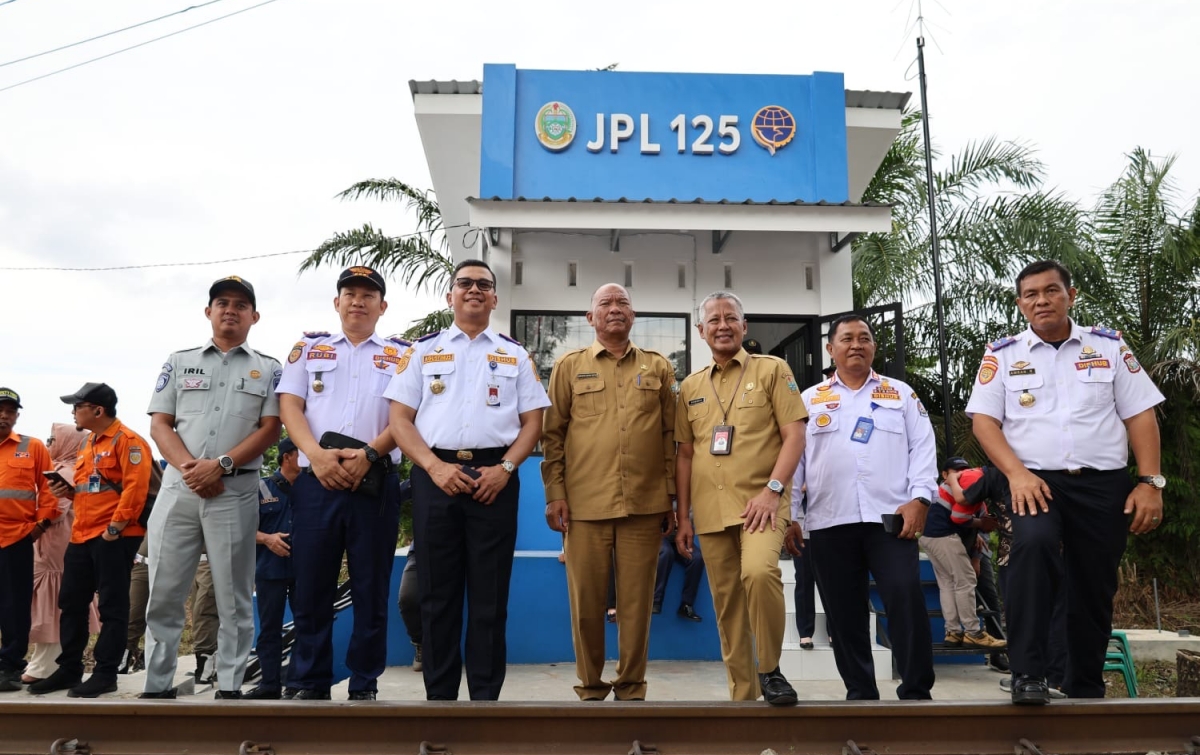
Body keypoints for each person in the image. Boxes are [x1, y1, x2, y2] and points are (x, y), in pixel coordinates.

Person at [966, 259, 1165, 704]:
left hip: (1102, 484)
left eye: (1051, 291)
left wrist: (1150, 482)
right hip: (1033, 482)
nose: (1041, 300)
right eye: (1031, 294)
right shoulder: (1003, 355)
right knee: (1031, 550)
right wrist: (1016, 474)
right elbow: (984, 423)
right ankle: (1029, 674)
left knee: (1092, 584)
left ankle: (1084, 684)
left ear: (1070, 295)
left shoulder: (1109, 347)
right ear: (1020, 304)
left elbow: (1140, 414)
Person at [386, 258, 550, 701]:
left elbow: (533, 423)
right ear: (450, 296)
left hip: (496, 477)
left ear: (495, 298)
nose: (474, 290)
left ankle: (484, 702)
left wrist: (507, 469)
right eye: (464, 284)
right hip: (435, 477)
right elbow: (400, 420)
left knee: (489, 598)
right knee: (435, 597)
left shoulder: (515, 354)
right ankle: (439, 701)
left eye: (483, 285)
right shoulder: (422, 351)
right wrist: (435, 468)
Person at [142, 276, 282, 700]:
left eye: (241, 305)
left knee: (234, 599)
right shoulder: (180, 361)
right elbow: (159, 423)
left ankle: (230, 686)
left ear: (254, 316)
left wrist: (219, 466)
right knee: (164, 593)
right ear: (208, 311)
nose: (230, 310)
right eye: (222, 302)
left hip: (235, 493)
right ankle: (158, 685)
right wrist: (191, 469)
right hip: (179, 490)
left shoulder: (270, 367)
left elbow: (271, 428)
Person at [541, 283, 678, 701]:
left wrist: (671, 498)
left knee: (636, 606)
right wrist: (554, 493)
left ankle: (632, 687)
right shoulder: (568, 366)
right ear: (591, 318)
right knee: (586, 605)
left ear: (633, 316)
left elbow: (672, 436)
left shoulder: (658, 368)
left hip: (644, 504)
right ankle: (591, 687)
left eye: (622, 303)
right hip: (584, 507)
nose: (615, 309)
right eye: (605, 303)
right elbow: (553, 435)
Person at [790, 315, 937, 701]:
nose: (856, 345)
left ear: (874, 346)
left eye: (865, 338)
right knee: (844, 613)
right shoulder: (809, 399)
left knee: (905, 598)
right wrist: (791, 516)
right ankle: (860, 693)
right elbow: (793, 463)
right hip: (829, 520)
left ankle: (917, 691)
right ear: (831, 348)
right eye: (847, 339)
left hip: (891, 520)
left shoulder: (901, 394)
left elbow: (923, 450)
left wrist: (921, 498)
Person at [277, 266, 405, 701]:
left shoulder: (402, 354)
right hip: (318, 483)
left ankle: (364, 683)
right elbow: (290, 406)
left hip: (376, 485)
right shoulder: (309, 348)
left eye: (368, 295)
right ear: (336, 303)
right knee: (311, 584)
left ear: (382, 307)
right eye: (349, 293)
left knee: (371, 587)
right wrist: (315, 455)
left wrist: (370, 455)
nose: (358, 301)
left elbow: (407, 413)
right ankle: (308, 681)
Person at [674, 291, 806, 706]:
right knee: (727, 605)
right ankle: (743, 698)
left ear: (744, 326)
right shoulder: (690, 387)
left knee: (760, 573)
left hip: (761, 505)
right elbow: (685, 454)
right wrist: (683, 517)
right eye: (713, 320)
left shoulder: (772, 370)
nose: (722, 325)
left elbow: (795, 435)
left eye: (731, 318)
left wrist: (773, 490)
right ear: (701, 331)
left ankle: (769, 668)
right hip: (711, 511)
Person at [31, 383, 149, 698]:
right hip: (82, 535)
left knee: (112, 605)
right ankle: (69, 668)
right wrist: (67, 492)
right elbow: (91, 491)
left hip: (113, 536)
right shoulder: (88, 444)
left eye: (78, 405)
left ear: (97, 410)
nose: (73, 411)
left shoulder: (129, 442)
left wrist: (114, 530)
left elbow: (135, 491)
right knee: (71, 602)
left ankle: (105, 673)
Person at [0, 389, 59, 692]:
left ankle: (10, 665)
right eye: (0, 409)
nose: (4, 415)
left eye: (10, 411)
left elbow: (49, 491)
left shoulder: (32, 447)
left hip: (14, 539)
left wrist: (41, 524)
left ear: (17, 416)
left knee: (14, 605)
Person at [25, 423, 91, 684]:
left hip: (53, 549)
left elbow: (56, 510)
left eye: (53, 438)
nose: (49, 443)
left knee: (51, 606)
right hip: (53, 548)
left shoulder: (65, 471)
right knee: (52, 605)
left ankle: (45, 666)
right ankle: (43, 662)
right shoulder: (71, 468)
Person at [919, 458, 1006, 651]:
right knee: (965, 581)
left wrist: (981, 525)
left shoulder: (973, 481)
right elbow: (959, 518)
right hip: (943, 535)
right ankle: (973, 633)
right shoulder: (974, 480)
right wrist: (980, 524)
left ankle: (953, 631)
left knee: (948, 584)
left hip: (929, 535)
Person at [243, 437, 299, 699]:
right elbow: (242, 528)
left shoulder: (312, 488)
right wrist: (267, 539)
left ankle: (299, 684)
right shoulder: (261, 489)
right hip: (269, 570)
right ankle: (269, 685)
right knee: (270, 630)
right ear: (287, 456)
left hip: (304, 571)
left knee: (307, 627)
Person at [653, 533, 705, 622]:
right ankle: (655, 601)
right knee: (666, 552)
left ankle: (687, 605)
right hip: (654, 533)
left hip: (675, 536)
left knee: (697, 558)